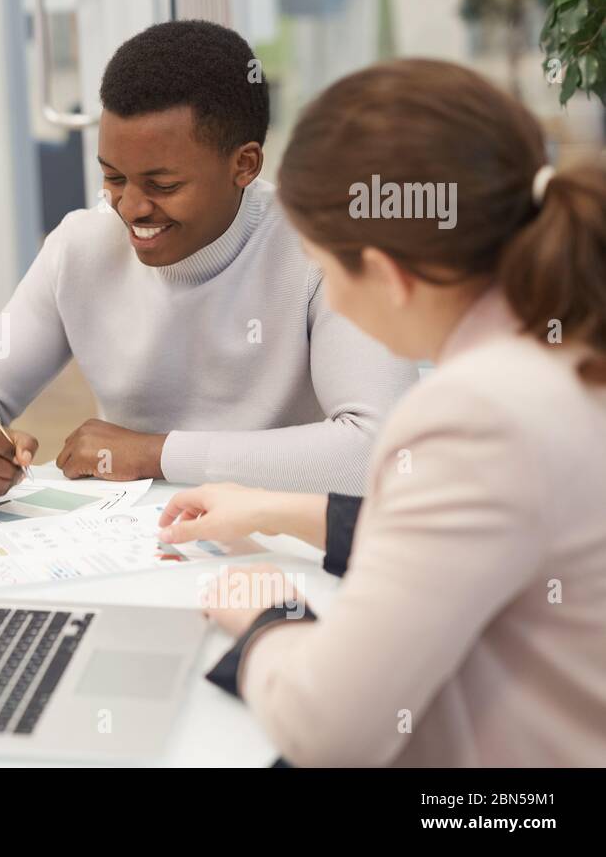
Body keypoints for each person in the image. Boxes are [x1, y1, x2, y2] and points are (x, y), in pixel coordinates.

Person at [167, 58, 606, 766]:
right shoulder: (569, 346)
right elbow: (485, 532)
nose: (332, 301)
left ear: (389, 273)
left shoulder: (477, 413)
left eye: (326, 270)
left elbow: (326, 729)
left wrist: (266, 616)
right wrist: (276, 509)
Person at [0, 20, 417, 498]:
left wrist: (155, 454)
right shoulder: (81, 245)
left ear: (243, 165)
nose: (131, 207)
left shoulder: (327, 251)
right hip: (129, 543)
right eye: (114, 177)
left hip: (278, 548)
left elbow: (379, 451)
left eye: (163, 185)